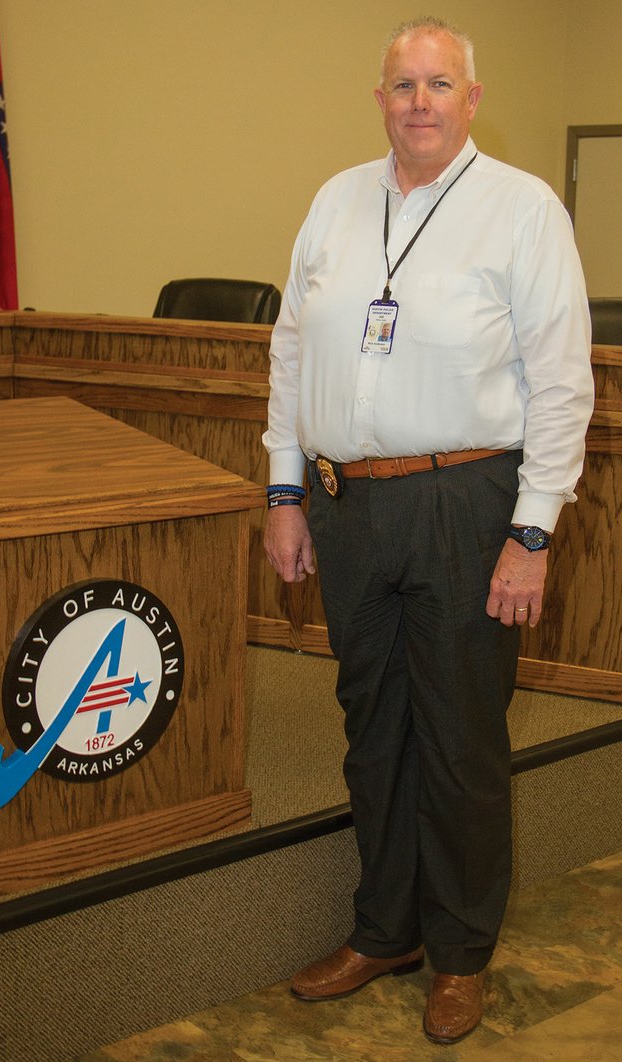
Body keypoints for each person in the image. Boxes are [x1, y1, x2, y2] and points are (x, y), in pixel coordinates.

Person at [262, 16, 594, 1046]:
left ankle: (457, 951)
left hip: (465, 504)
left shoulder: (520, 211)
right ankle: (382, 929)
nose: (417, 101)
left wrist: (528, 532)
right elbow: (286, 352)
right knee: (373, 729)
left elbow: (560, 382)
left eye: (437, 83)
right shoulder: (333, 199)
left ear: (470, 97)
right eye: (400, 84)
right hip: (344, 503)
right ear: (377, 99)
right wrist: (283, 491)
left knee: (457, 737)